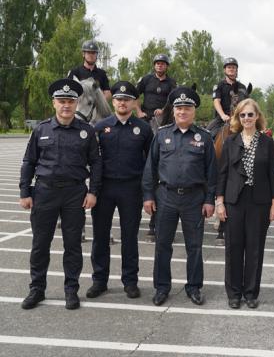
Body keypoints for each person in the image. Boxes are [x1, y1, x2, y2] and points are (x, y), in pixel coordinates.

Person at [19, 78, 102, 310]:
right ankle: (36, 289)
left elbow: (96, 164)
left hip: (75, 193)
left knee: (73, 245)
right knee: (40, 245)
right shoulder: (41, 130)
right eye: (61, 101)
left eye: (70, 101)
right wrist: (25, 191)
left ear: (76, 104)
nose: (66, 105)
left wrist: (93, 192)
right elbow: (29, 162)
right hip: (44, 192)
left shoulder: (86, 131)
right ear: (54, 103)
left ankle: (71, 290)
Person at [142, 87, 216, 306]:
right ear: (173, 111)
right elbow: (150, 168)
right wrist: (148, 196)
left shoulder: (204, 138)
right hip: (165, 197)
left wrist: (210, 199)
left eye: (187, 108)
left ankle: (194, 287)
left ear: (194, 111)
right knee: (163, 245)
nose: (183, 112)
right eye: (179, 108)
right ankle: (162, 288)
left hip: (194, 199)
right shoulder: (162, 135)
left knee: (194, 247)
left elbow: (212, 172)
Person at [87, 81, 153, 300]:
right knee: (100, 236)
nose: (122, 102)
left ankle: (130, 281)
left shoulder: (143, 129)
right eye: (118, 99)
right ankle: (99, 280)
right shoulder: (100, 127)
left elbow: (150, 164)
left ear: (134, 103)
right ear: (112, 101)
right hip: (104, 189)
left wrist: (148, 193)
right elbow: (93, 161)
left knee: (129, 237)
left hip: (131, 189)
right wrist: (92, 190)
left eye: (126, 99)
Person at [216, 98, 274, 309]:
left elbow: (273, 174)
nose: (246, 118)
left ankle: (251, 293)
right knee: (233, 248)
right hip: (234, 200)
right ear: (238, 118)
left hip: (259, 201)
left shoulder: (267, 142)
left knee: (254, 248)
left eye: (250, 114)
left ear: (257, 117)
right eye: (242, 115)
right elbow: (222, 173)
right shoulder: (230, 141)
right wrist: (220, 202)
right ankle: (234, 293)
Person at [136, 53, 177, 242]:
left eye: (163, 64)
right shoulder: (145, 79)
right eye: (158, 63)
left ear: (166, 66)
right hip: (145, 117)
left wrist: (164, 110)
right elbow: (135, 96)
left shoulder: (171, 82)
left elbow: (174, 100)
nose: (160, 66)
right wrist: (139, 111)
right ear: (154, 65)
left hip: (164, 119)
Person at [207, 57, 249, 140]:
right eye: (229, 67)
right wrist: (223, 115)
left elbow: (247, 104)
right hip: (222, 118)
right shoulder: (219, 85)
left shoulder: (242, 87)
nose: (231, 69)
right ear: (225, 70)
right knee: (207, 134)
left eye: (233, 67)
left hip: (241, 118)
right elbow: (216, 101)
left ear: (236, 70)